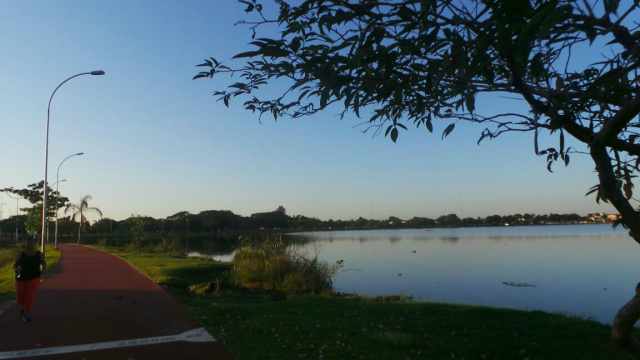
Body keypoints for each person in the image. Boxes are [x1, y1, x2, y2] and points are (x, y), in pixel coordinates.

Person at [13, 237, 46, 322]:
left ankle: (26, 314)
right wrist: (16, 270)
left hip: (34, 278)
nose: (29, 244)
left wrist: (43, 269)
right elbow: (15, 265)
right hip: (21, 278)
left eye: (31, 243)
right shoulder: (21, 255)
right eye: (27, 243)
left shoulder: (39, 254)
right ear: (25, 244)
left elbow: (43, 263)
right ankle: (22, 305)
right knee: (20, 298)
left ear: (35, 245)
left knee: (29, 296)